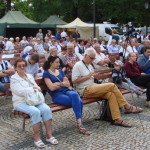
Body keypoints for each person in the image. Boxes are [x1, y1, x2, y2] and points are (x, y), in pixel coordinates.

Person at [72, 48, 143, 127]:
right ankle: (127, 106)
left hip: (93, 87)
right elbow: (74, 81)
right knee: (112, 85)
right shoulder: (78, 65)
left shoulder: (89, 65)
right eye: (91, 58)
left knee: (110, 94)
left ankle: (117, 119)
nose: (92, 60)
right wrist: (88, 76)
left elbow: (91, 78)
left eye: (93, 58)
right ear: (85, 55)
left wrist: (94, 76)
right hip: (85, 89)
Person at [10, 58, 58, 148]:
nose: (22, 67)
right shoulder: (14, 78)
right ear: (15, 68)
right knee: (35, 112)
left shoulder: (29, 76)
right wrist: (32, 88)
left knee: (46, 109)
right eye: (19, 66)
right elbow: (19, 92)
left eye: (23, 65)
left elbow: (38, 88)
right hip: (21, 102)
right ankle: (37, 138)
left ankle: (49, 135)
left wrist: (33, 88)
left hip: (34, 100)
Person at [43, 56, 91, 135]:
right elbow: (51, 88)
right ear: (51, 63)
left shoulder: (60, 71)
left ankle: (79, 123)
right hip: (57, 95)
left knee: (75, 95)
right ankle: (79, 124)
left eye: (59, 62)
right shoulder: (46, 73)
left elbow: (68, 84)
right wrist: (62, 84)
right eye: (57, 62)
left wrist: (57, 84)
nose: (59, 64)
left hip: (66, 91)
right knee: (79, 102)